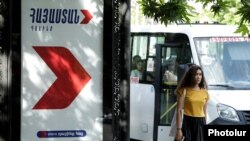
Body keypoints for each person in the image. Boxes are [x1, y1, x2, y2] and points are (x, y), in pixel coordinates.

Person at [175, 65, 209, 141]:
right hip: (187, 123)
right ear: (191, 76)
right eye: (196, 74)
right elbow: (179, 111)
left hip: (201, 124)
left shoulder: (205, 92)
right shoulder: (183, 90)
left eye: (200, 74)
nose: (198, 77)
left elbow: (204, 112)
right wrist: (178, 129)